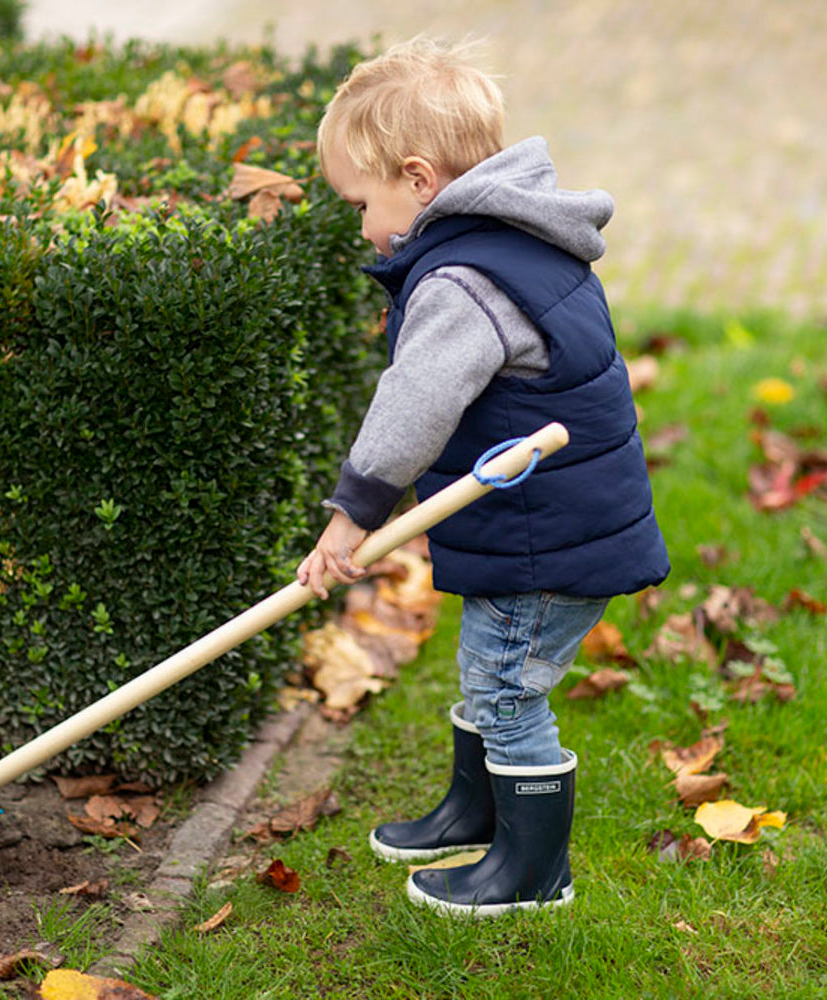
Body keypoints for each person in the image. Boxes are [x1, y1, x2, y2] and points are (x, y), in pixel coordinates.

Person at [296, 37, 669, 917]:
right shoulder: (524, 245)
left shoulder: (462, 279)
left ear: (420, 181)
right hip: (558, 516)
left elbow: (412, 405)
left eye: (362, 201)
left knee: (506, 690)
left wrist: (352, 513)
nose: (361, 226)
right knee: (490, 673)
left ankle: (533, 873)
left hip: (547, 536)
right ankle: (476, 812)